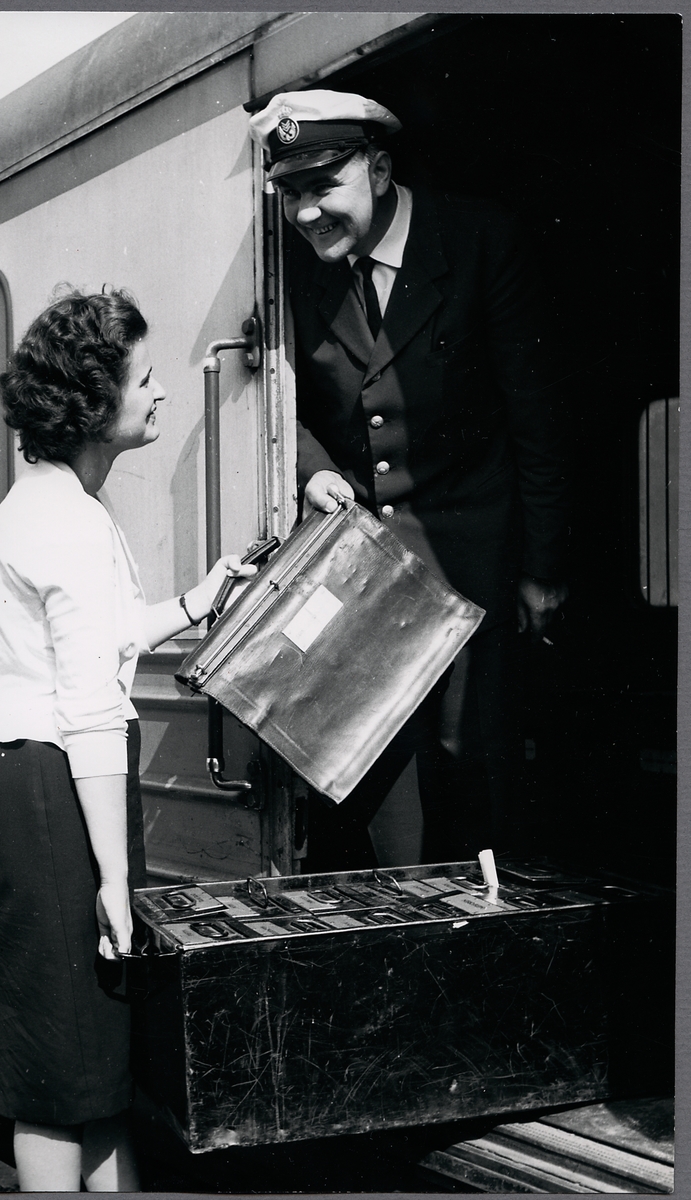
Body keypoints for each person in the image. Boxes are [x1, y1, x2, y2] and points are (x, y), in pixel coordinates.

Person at [0, 288, 255, 1192]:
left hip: (32, 782)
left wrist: (195, 602)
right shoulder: (68, 522)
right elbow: (89, 706)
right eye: (144, 378)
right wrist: (116, 883)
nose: (161, 391)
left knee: (89, 1060)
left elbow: (102, 639)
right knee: (61, 1074)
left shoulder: (52, 505)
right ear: (95, 402)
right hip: (53, 786)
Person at [248, 90, 571, 869]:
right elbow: (273, 399)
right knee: (375, 775)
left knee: (471, 763)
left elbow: (535, 414)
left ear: (381, 169)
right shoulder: (291, 268)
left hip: (471, 561)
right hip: (362, 569)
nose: (305, 213)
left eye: (322, 186)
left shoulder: (478, 239)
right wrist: (313, 470)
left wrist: (542, 569)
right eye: (290, 193)